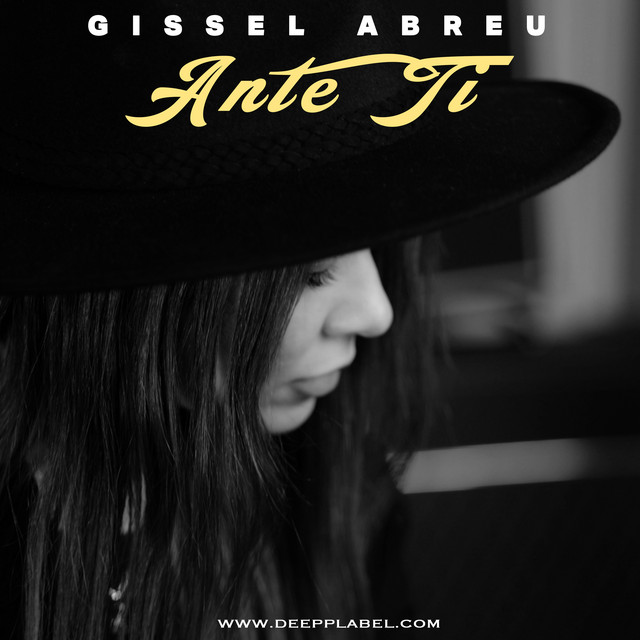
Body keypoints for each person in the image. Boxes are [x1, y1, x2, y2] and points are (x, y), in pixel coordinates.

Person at [0, 2, 620, 639]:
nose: (376, 313)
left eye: (382, 248)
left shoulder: (332, 482)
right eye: (312, 272)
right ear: (143, 296)